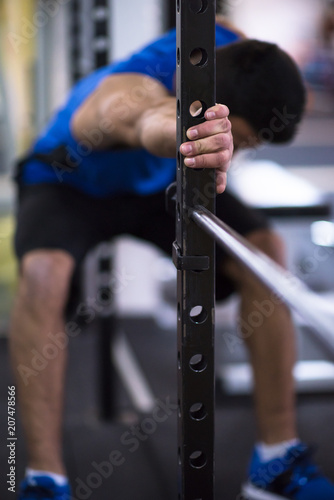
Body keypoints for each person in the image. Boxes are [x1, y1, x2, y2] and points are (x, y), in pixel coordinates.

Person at [10, 17, 334, 500]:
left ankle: (276, 459)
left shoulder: (229, 48)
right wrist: (188, 130)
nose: (240, 153)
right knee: (42, 273)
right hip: (68, 183)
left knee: (265, 248)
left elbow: (227, 29)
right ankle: (42, 476)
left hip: (158, 183)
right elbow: (148, 119)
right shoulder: (121, 95)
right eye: (241, 142)